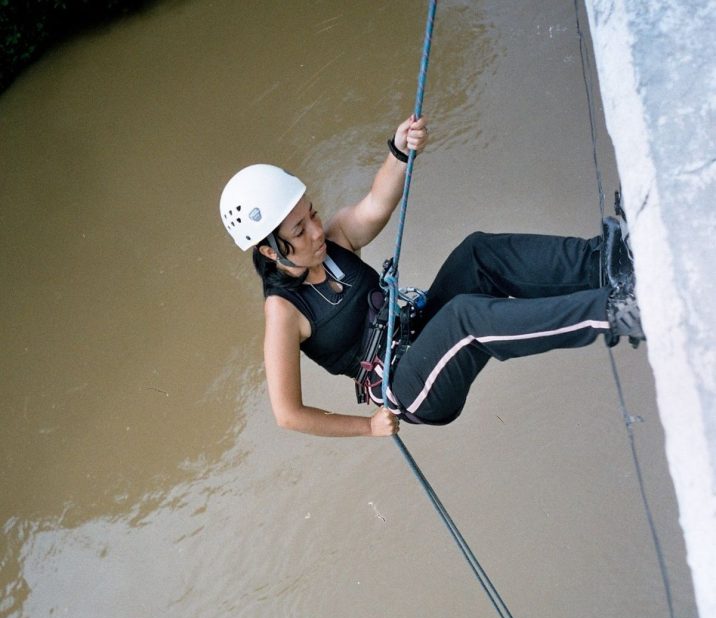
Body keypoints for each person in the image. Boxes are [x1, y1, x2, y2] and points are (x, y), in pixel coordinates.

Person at [219, 115, 642, 438]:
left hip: (418, 333)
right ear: (268, 249)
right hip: (408, 388)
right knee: (465, 318)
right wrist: (366, 428)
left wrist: (399, 152)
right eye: (299, 231)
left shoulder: (335, 240)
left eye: (310, 213)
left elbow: (375, 203)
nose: (315, 230)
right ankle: (613, 313)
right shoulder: (283, 314)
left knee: (476, 253)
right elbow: (288, 414)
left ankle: (606, 262)